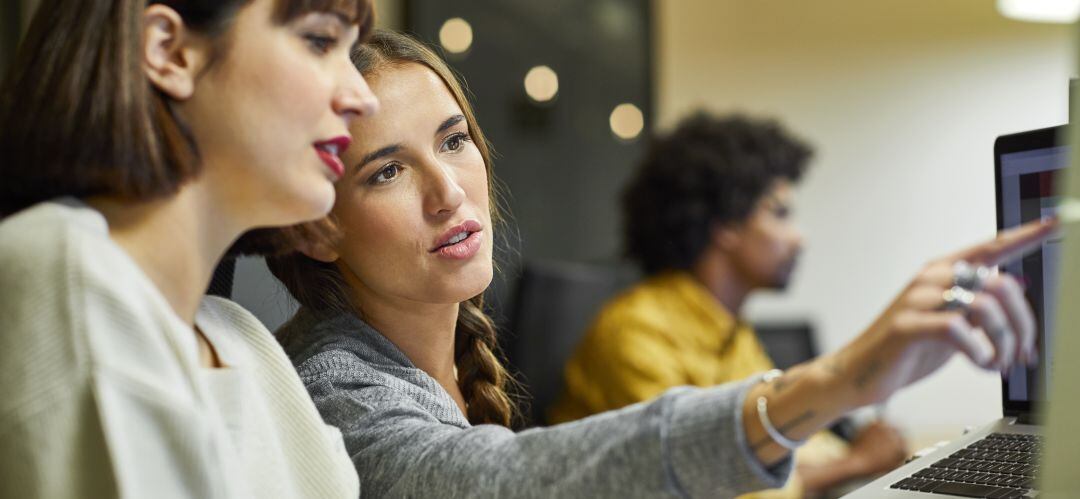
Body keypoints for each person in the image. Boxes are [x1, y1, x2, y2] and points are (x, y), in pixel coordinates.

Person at [268, 30, 1054, 498]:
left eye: (453, 140)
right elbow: (497, 482)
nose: (448, 191)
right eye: (386, 171)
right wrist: (842, 377)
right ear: (315, 226)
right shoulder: (332, 389)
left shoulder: (439, 360)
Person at [0, 0, 378, 497]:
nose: (362, 97)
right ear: (170, 51)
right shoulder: (65, 271)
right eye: (319, 41)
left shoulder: (247, 343)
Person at [548, 113, 906, 497]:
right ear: (726, 226)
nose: (798, 238)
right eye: (779, 213)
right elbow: (700, 484)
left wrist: (871, 451)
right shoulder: (633, 333)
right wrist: (855, 463)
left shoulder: (731, 330)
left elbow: (787, 442)